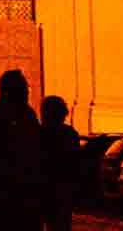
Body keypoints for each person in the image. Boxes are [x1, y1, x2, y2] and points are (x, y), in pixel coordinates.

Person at [0, 69, 44, 230]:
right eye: (24, 88)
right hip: (10, 194)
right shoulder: (26, 115)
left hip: (4, 193)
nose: (28, 92)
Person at [41, 95, 81, 231]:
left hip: (44, 190)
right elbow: (76, 164)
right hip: (63, 190)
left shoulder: (37, 133)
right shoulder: (70, 134)